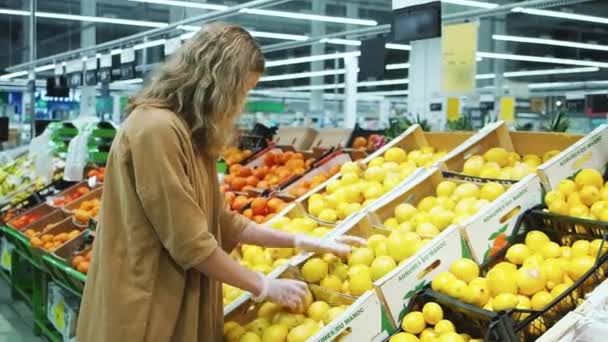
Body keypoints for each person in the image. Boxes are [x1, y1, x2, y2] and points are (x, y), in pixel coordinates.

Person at [76, 23, 364, 342]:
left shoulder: (193, 135)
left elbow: (222, 222)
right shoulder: (155, 130)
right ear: (217, 85)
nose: (242, 104)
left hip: (180, 297)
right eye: (242, 91)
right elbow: (190, 242)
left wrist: (300, 241)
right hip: (147, 305)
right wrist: (263, 286)